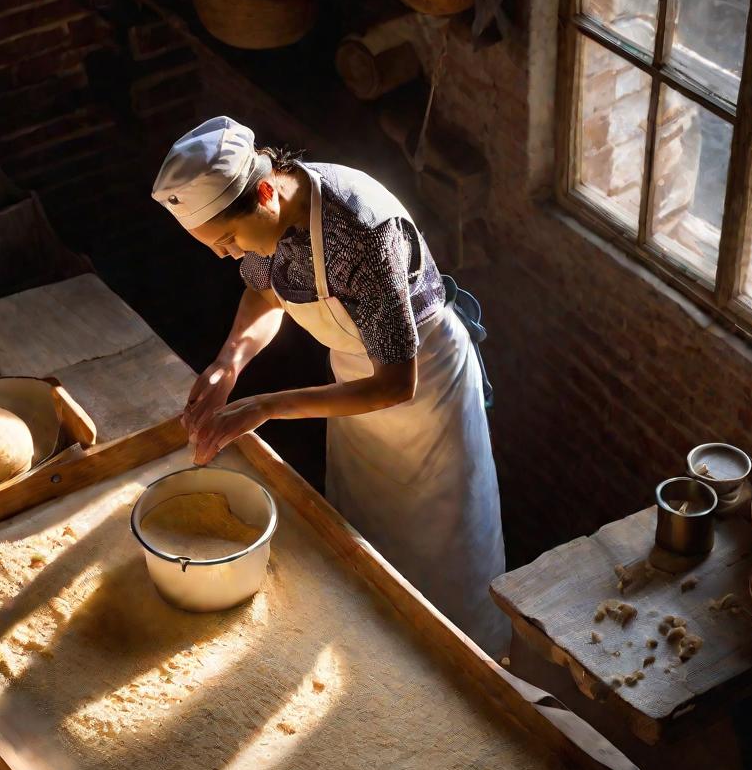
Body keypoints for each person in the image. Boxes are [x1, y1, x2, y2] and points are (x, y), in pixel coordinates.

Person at [151, 116, 509, 656]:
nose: (226, 254)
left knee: (447, 557)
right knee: (367, 541)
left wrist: (264, 407)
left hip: (425, 393)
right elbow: (265, 295)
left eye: (226, 239)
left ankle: (472, 663)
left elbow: (393, 385)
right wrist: (230, 362)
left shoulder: (361, 231)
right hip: (351, 395)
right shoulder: (265, 221)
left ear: (266, 192)